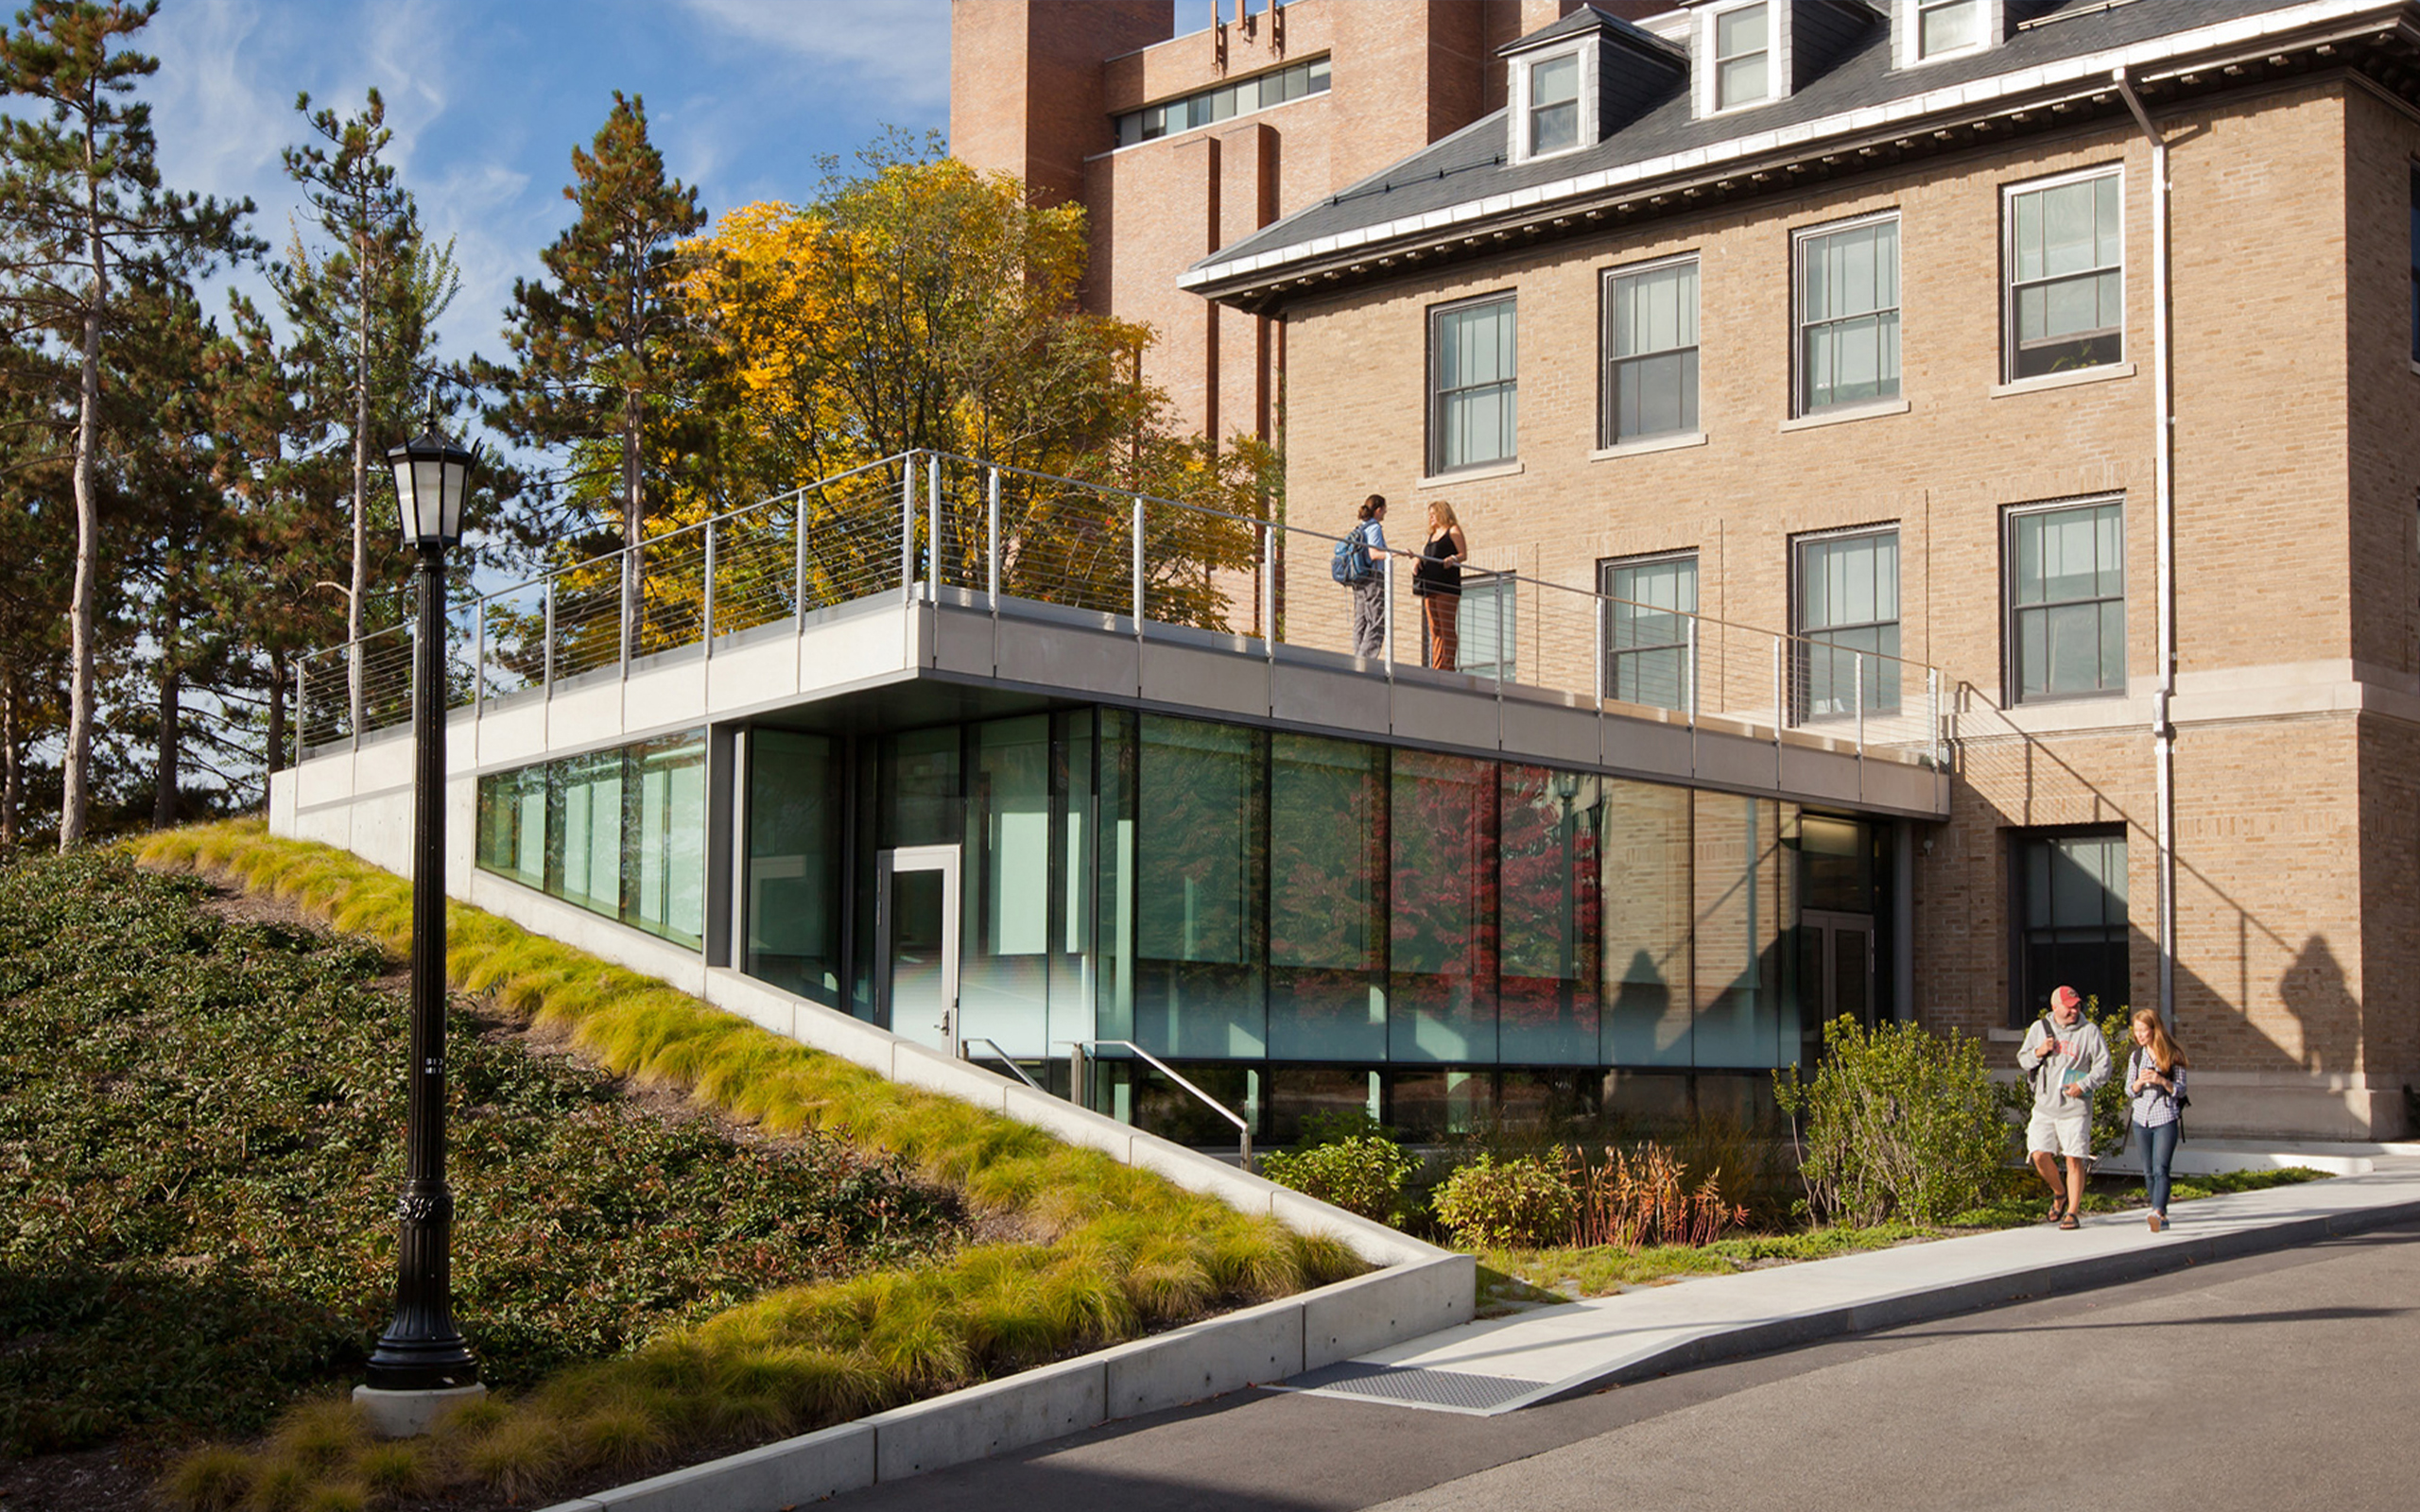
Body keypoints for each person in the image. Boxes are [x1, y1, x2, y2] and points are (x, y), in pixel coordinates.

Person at [2015, 984, 2108, 1230]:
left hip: (2075, 1108)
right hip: (2045, 1106)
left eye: (2077, 1007)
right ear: (2055, 1007)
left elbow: (2104, 1066)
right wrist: (2039, 1051)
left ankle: (2072, 1212)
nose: (2074, 1012)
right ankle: (2059, 1192)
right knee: (2038, 1154)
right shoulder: (2040, 1029)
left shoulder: (2089, 1032)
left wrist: (2084, 1084)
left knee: (2074, 1158)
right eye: (2068, 1008)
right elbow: (2023, 1059)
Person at [2125, 1006, 2191, 1233]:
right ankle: (2157, 1212)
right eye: (2136, 1031)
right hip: (2141, 1119)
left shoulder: (2173, 1055)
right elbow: (2129, 1090)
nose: (2140, 1035)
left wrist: (2161, 1080)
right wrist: (2140, 1082)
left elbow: (2181, 1090)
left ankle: (2159, 1211)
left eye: (2143, 1030)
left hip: (2164, 1116)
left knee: (2161, 1167)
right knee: (2148, 1170)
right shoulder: (2136, 1057)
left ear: (2155, 1030)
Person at [1412, 500, 1468, 671]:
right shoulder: (1431, 536)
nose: (1431, 518)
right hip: (1431, 586)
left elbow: (1463, 554)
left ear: (1442, 513)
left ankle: (1448, 665)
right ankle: (1437, 665)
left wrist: (1453, 558)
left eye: (1433, 514)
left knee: (1446, 626)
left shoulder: (1453, 530)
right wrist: (1417, 560)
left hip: (1446, 585)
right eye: (1429, 514)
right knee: (1434, 628)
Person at [1347, 494, 1393, 661]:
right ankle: (1365, 660)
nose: (1386, 512)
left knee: (1361, 620)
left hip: (1359, 579)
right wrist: (1395, 554)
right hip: (1373, 578)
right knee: (1376, 620)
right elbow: (1373, 553)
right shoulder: (1374, 528)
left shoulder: (1361, 527)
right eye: (1385, 509)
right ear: (1379, 510)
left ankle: (1358, 657)